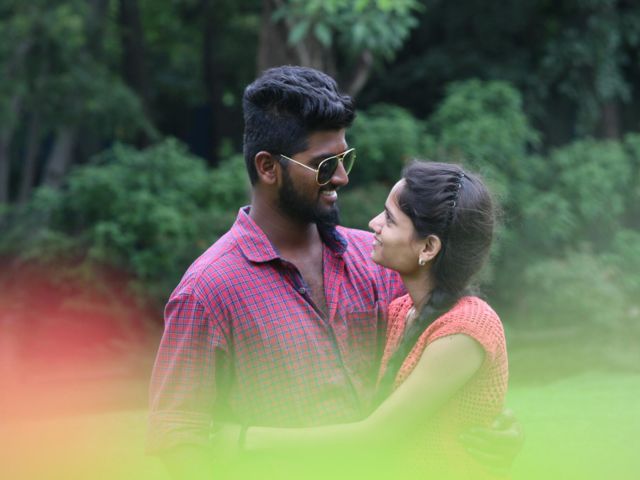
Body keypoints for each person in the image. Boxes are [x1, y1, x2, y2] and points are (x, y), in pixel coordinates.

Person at [148, 66, 520, 479]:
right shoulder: (207, 290)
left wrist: (491, 428)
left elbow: (439, 359)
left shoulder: (378, 263)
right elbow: (178, 437)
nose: (342, 177)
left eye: (345, 159)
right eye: (325, 165)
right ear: (268, 168)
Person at [236, 161, 508, 479]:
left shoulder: (465, 330)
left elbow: (377, 436)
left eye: (390, 219)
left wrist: (243, 439)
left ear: (428, 247)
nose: (374, 223)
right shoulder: (401, 311)